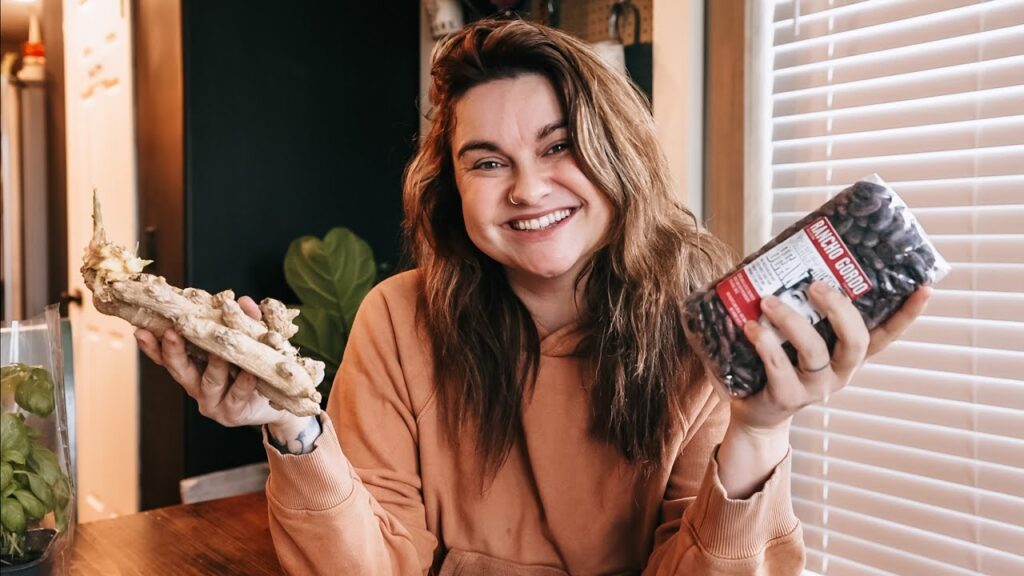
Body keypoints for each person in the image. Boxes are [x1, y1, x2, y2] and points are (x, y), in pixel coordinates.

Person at [135, 18, 930, 575]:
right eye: (487, 162)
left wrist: (758, 432)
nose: (527, 188)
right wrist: (292, 425)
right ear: (453, 188)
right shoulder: (397, 320)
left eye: (560, 148)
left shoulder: (706, 339)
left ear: (616, 158)